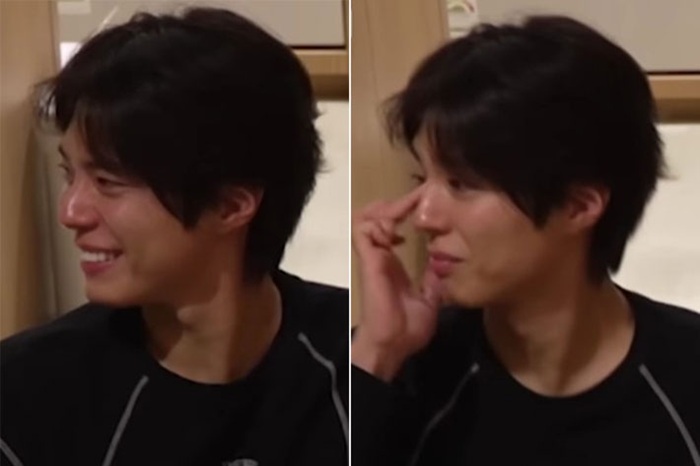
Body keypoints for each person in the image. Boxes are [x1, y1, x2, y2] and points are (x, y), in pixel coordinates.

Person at [1, 7, 347, 466]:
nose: (70, 212)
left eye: (108, 181)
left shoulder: (359, 360)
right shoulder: (28, 390)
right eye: (70, 175)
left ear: (231, 205)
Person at [352, 15, 700, 466]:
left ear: (578, 206)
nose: (423, 217)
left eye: (461, 184)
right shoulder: (393, 367)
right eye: (423, 179)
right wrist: (377, 354)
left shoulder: (687, 380)